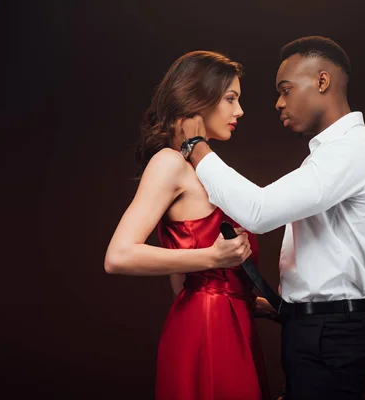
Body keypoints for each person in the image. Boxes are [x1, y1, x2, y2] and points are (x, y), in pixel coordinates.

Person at [182, 36, 365, 399]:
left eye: (285, 89)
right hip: (318, 326)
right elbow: (331, 257)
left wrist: (195, 147)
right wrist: (288, 309)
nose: (278, 103)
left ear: (322, 82)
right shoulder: (334, 153)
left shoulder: (351, 151)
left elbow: (259, 212)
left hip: (331, 332)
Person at [103, 51, 272, 400]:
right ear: (198, 98)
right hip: (207, 328)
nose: (239, 111)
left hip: (229, 323)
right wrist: (212, 258)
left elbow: (184, 281)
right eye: (230, 99)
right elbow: (118, 256)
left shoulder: (204, 169)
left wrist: (254, 302)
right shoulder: (169, 163)